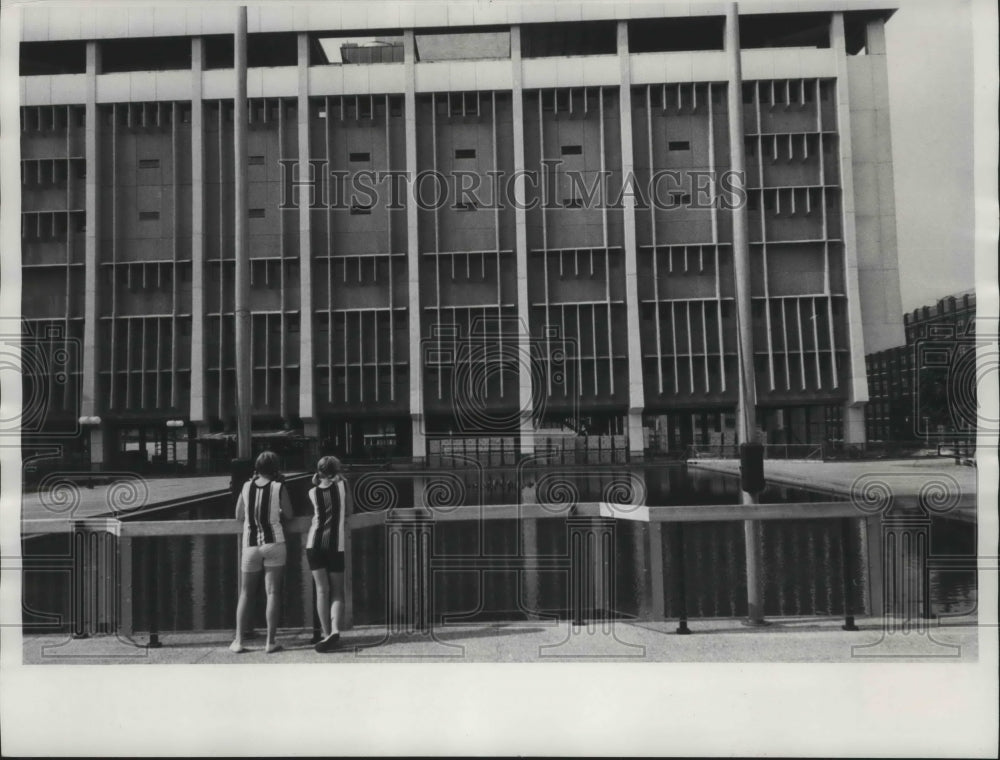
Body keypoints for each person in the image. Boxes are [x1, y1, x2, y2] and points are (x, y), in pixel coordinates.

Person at [230, 451, 292, 654]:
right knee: (272, 592)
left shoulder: (246, 486)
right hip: (274, 542)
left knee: (246, 593)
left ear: (257, 467)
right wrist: (277, 512)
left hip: (250, 544)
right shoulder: (278, 487)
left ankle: (239, 641)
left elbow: (238, 515)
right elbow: (289, 514)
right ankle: (270, 642)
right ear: (275, 468)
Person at [306, 456, 349, 653]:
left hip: (314, 544)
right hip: (335, 544)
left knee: (322, 591)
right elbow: (350, 509)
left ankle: (325, 634)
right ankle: (335, 630)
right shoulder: (342, 487)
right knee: (338, 591)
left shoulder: (312, 492)